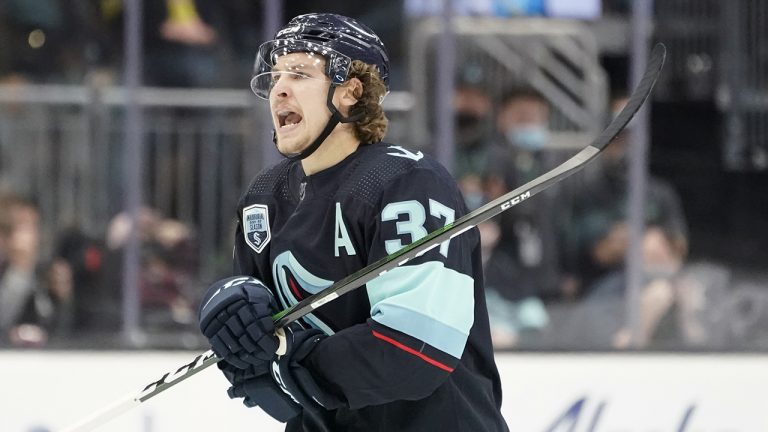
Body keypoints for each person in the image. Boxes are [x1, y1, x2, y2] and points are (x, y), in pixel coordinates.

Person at [197, 13, 508, 431]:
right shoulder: (263, 198)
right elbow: (262, 371)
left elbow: (415, 351)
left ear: (351, 91)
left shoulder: (408, 183)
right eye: (276, 76)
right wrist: (237, 332)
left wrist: (292, 363)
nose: (279, 89)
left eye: (300, 73)